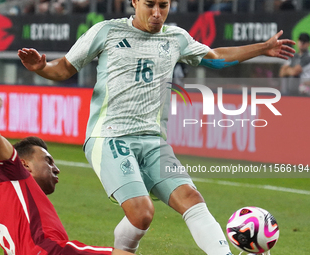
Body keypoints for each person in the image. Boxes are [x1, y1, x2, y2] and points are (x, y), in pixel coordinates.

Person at [17, 0, 295, 254]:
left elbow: (216, 56)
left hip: (153, 140)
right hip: (110, 136)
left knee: (192, 198)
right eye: (150, 5)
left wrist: (263, 48)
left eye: (164, 6)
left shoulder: (176, 38)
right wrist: (41, 67)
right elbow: (65, 67)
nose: (157, 13)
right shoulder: (106, 31)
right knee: (142, 213)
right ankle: (122, 249)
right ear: (135, 2)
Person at [0, 83, 136, 255]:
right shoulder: (14, 175)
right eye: (48, 161)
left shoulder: (10, 198)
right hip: (51, 250)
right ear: (24, 165)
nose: (56, 169)